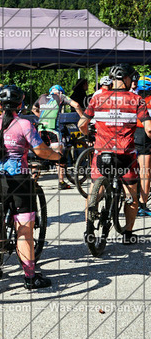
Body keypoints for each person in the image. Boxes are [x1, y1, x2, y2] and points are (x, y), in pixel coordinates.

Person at [0, 85, 62, 289]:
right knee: (24, 230)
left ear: (0, 104)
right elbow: (41, 151)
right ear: (20, 104)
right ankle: (30, 277)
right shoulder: (25, 124)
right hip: (19, 182)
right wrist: (58, 156)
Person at [78, 64, 151, 244]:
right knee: (132, 197)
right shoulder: (136, 100)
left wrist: (89, 136)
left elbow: (81, 124)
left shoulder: (97, 98)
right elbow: (149, 128)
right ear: (126, 79)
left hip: (102, 153)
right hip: (125, 155)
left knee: (95, 191)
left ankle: (89, 227)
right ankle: (127, 234)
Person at [32, 84, 84, 190]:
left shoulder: (42, 97)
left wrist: (42, 116)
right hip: (53, 130)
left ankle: (33, 181)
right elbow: (76, 105)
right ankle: (61, 182)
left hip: (41, 129)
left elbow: (33, 109)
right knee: (59, 156)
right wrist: (83, 118)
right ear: (60, 92)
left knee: (39, 156)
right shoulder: (60, 96)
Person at [136, 76, 151, 216]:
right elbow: (149, 128)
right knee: (145, 171)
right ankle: (143, 205)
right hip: (144, 135)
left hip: (129, 133)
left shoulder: (132, 98)